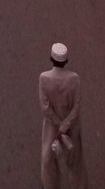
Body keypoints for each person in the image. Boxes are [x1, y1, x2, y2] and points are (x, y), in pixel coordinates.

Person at [39, 42, 86, 189]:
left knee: (48, 159)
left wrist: (58, 125)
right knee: (75, 158)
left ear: (51, 59)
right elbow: (76, 106)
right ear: (66, 61)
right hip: (71, 125)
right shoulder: (74, 78)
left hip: (52, 126)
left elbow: (45, 107)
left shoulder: (44, 78)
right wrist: (65, 125)